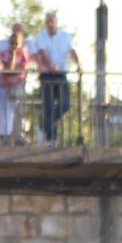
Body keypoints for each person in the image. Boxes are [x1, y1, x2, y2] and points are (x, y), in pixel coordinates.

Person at [29, 10, 80, 145]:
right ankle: (51, 139)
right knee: (49, 107)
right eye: (48, 22)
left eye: (52, 21)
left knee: (65, 104)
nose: (50, 24)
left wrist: (78, 64)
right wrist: (51, 67)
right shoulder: (40, 37)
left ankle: (43, 126)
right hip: (47, 75)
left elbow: (71, 51)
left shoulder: (65, 36)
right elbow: (42, 54)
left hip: (61, 75)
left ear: (56, 22)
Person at [0, 24, 30, 143]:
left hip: (16, 86)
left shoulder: (23, 53)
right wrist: (13, 57)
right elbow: (8, 67)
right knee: (3, 111)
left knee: (15, 112)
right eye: (12, 43)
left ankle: (15, 136)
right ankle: (4, 135)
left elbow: (23, 67)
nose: (14, 46)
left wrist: (14, 66)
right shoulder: (3, 53)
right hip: (4, 86)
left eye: (16, 43)